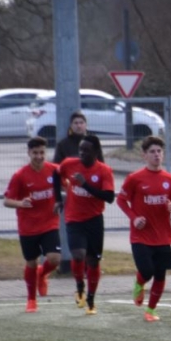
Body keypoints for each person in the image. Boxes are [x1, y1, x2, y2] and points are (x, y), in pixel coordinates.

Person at [116, 136, 171, 322]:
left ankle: (151, 310)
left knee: (160, 275)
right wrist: (134, 218)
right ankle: (139, 283)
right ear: (144, 155)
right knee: (147, 271)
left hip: (163, 236)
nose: (156, 155)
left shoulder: (170, 180)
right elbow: (121, 200)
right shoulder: (135, 178)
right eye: (152, 152)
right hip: (141, 236)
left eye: (159, 151)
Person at [54, 135, 115, 315]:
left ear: (96, 152)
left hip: (94, 220)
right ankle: (80, 285)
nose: (82, 153)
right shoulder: (69, 164)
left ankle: (91, 298)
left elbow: (109, 197)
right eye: (80, 149)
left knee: (93, 261)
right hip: (74, 218)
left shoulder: (104, 170)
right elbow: (56, 175)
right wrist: (58, 199)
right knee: (78, 254)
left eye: (86, 150)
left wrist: (85, 185)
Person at [4, 136, 61, 313]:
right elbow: (7, 201)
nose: (39, 156)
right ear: (29, 153)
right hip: (28, 226)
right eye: (35, 153)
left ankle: (42, 274)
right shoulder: (20, 175)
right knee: (31, 262)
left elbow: (67, 186)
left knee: (55, 258)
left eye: (42, 152)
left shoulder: (55, 170)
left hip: (50, 223)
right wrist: (20, 203)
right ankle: (31, 300)